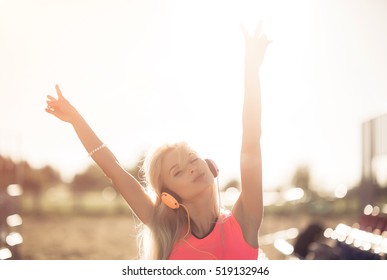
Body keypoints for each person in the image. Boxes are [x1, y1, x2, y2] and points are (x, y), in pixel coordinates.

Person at [45, 22, 271, 260]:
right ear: (169, 198)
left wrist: (251, 71)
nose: (192, 167)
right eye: (178, 171)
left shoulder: (245, 219)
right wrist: (75, 120)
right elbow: (114, 169)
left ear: (210, 165)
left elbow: (251, 142)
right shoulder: (166, 231)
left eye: (193, 159)